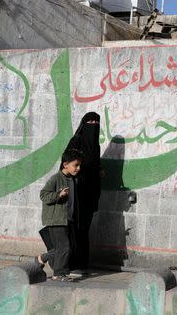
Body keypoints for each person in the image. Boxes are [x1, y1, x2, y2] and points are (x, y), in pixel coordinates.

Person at [65, 112, 103, 274]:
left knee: (84, 228)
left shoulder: (95, 145)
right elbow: (67, 163)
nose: (93, 124)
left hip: (90, 193)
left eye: (96, 122)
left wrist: (99, 170)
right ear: (84, 123)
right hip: (77, 192)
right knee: (74, 227)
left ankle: (81, 262)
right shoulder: (76, 141)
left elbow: (95, 164)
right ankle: (70, 262)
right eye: (90, 121)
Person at [38, 148, 83, 281]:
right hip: (56, 219)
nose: (78, 168)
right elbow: (43, 195)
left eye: (79, 165)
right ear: (65, 164)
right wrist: (58, 195)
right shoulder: (56, 178)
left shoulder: (73, 179)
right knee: (64, 247)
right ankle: (59, 273)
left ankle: (42, 259)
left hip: (67, 219)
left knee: (62, 247)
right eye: (76, 165)